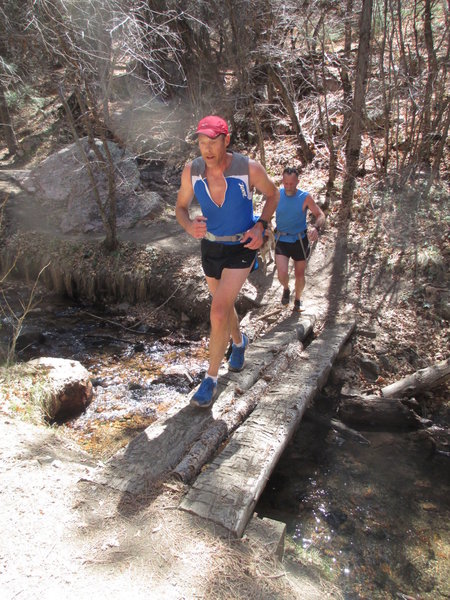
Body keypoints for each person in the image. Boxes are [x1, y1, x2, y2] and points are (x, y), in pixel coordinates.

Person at [176, 115, 279, 408]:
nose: (207, 149)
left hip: (242, 246)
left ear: (226, 140)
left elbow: (273, 195)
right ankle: (238, 342)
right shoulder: (191, 172)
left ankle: (210, 380)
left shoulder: (247, 169)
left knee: (219, 311)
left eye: (213, 141)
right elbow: (180, 208)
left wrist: (262, 225)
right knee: (225, 305)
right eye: (201, 142)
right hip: (210, 246)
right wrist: (188, 226)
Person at [275, 166, 325, 311]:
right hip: (281, 239)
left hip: (299, 241)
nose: (289, 187)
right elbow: (267, 213)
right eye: (286, 183)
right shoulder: (277, 195)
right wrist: (263, 226)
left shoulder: (305, 197)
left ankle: (297, 300)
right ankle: (286, 288)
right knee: (282, 273)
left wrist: (316, 227)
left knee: (299, 274)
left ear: (297, 182)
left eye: (292, 183)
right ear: (283, 181)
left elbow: (320, 215)